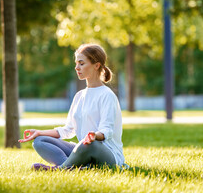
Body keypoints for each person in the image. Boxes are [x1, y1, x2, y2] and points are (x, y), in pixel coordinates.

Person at [18, 43, 125, 171]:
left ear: (96, 65)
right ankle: (78, 168)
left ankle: (60, 169)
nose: (76, 67)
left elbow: (107, 130)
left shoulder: (107, 95)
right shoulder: (79, 96)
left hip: (107, 154)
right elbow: (68, 130)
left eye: (81, 63)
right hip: (82, 148)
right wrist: (39, 132)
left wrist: (94, 136)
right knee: (40, 141)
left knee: (89, 144)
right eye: (76, 63)